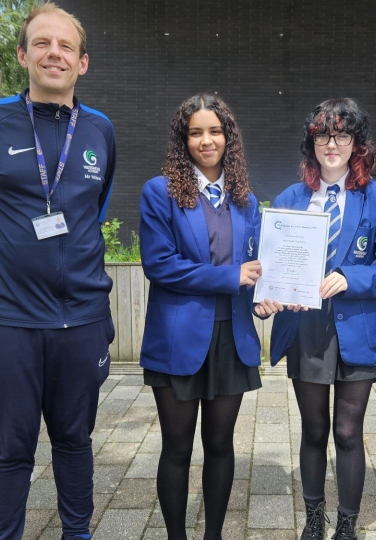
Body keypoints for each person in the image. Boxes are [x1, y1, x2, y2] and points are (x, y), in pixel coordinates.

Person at [0, 4, 116, 539]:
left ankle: (78, 534)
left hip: (82, 320)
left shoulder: (100, 132)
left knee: (74, 441)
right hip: (8, 322)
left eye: (66, 46)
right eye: (42, 44)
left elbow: (95, 208)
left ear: (83, 62)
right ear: (23, 56)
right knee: (10, 451)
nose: (54, 53)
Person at [263, 98, 376, 540]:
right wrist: (273, 296)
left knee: (346, 430)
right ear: (311, 143)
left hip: (357, 327)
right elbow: (271, 264)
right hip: (308, 329)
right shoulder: (291, 198)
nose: (332, 144)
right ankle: (313, 519)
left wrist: (349, 277)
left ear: (357, 143)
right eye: (323, 135)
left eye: (342, 135)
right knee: (314, 428)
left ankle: (346, 525)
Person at [138, 93, 267, 540]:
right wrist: (232, 277)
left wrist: (266, 295)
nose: (206, 140)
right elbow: (160, 265)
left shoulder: (246, 200)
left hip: (232, 337)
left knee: (219, 445)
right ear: (183, 139)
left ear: (229, 137)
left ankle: (212, 536)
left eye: (215, 131)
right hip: (178, 338)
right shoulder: (161, 192)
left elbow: (257, 267)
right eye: (196, 132)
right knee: (176, 449)